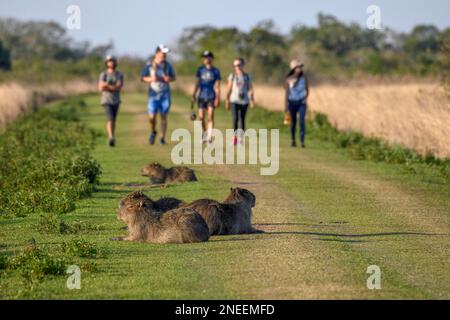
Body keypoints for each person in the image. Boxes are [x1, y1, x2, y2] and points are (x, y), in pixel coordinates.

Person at [141, 44, 176, 145]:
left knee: (164, 116)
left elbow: (173, 77)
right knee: (152, 117)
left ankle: (162, 138)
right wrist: (151, 79)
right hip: (153, 95)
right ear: (157, 53)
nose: (164, 55)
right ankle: (153, 132)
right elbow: (142, 78)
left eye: (165, 53)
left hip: (165, 94)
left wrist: (169, 79)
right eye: (162, 52)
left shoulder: (168, 66)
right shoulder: (150, 65)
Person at [191, 51, 221, 143]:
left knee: (210, 116)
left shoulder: (216, 71)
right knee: (201, 118)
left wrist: (217, 98)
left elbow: (217, 86)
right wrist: (194, 95)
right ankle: (205, 134)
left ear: (212, 58)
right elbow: (197, 84)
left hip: (211, 96)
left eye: (207, 57)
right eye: (204, 57)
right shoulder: (200, 70)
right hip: (201, 96)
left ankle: (209, 138)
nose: (206, 59)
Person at [225, 58, 255, 145]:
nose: (237, 67)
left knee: (242, 119)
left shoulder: (247, 76)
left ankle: (241, 139)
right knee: (235, 119)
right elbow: (229, 89)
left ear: (242, 65)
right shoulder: (232, 76)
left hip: (244, 100)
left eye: (238, 65)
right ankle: (234, 138)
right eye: (235, 65)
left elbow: (250, 88)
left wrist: (252, 99)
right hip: (234, 100)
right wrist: (227, 100)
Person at [98, 55, 124, 147]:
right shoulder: (103, 74)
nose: (111, 63)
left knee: (114, 119)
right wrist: (112, 87)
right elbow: (101, 87)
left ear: (115, 62)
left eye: (113, 61)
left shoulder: (119, 74)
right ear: (107, 63)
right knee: (110, 118)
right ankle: (110, 136)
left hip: (116, 100)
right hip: (106, 100)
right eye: (109, 61)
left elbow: (119, 86)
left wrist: (107, 86)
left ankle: (112, 136)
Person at [285, 60, 309, 148]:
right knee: (293, 122)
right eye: (298, 67)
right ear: (294, 68)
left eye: (300, 67)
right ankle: (293, 140)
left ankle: (302, 141)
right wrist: (285, 106)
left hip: (302, 103)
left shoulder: (304, 78)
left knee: (302, 121)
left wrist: (305, 98)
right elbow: (287, 92)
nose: (300, 68)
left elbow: (307, 89)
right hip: (292, 102)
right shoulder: (288, 78)